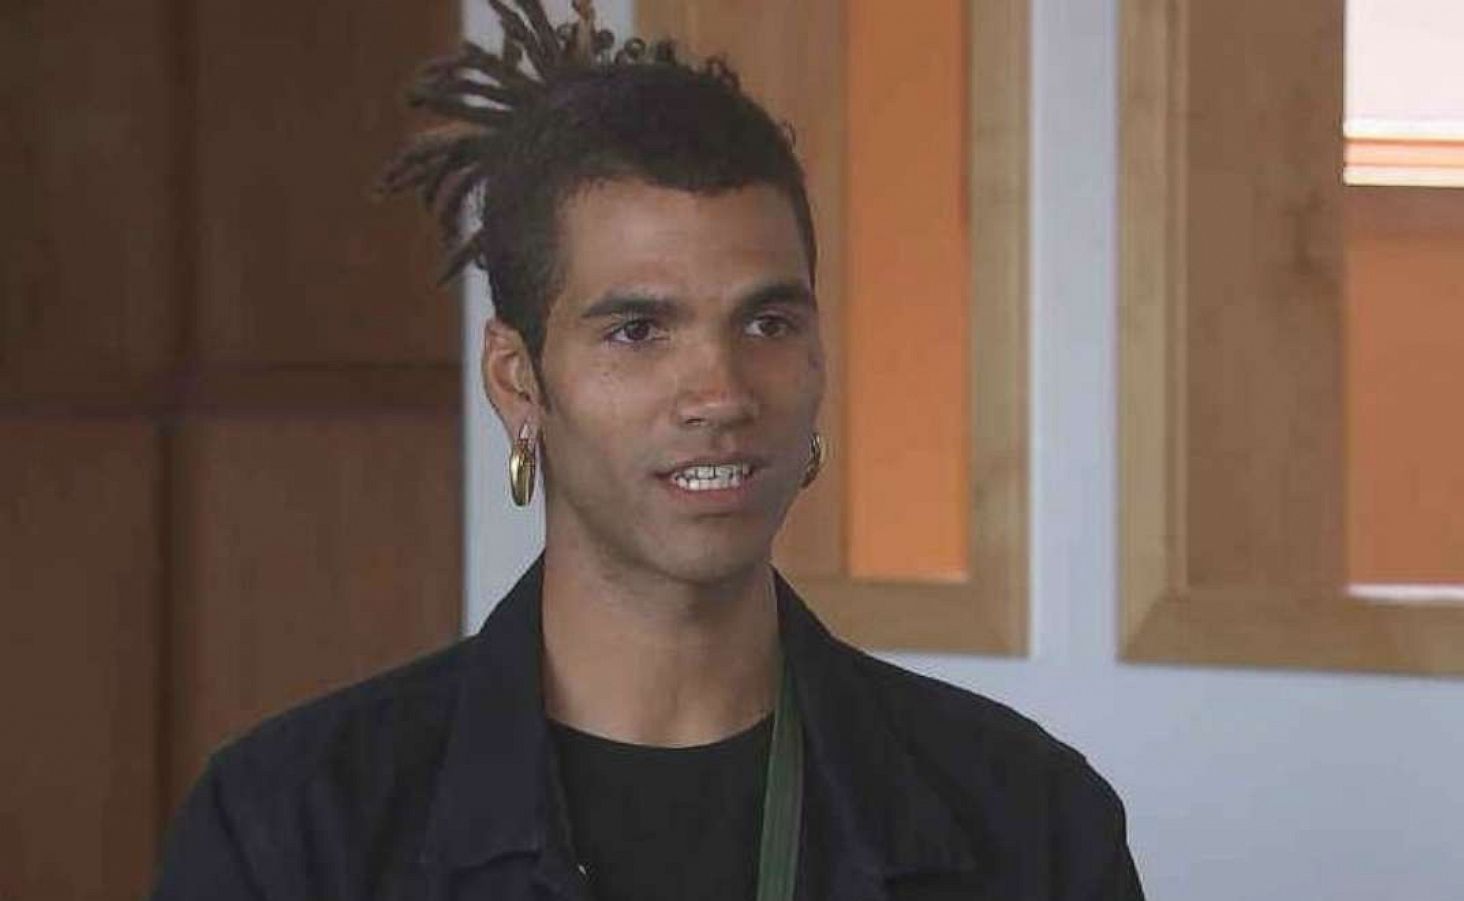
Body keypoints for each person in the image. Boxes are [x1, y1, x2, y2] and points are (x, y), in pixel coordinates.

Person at [150, 2, 1144, 898]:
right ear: (518, 381)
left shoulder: (1027, 821)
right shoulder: (292, 831)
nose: (718, 394)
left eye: (766, 324)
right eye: (637, 330)